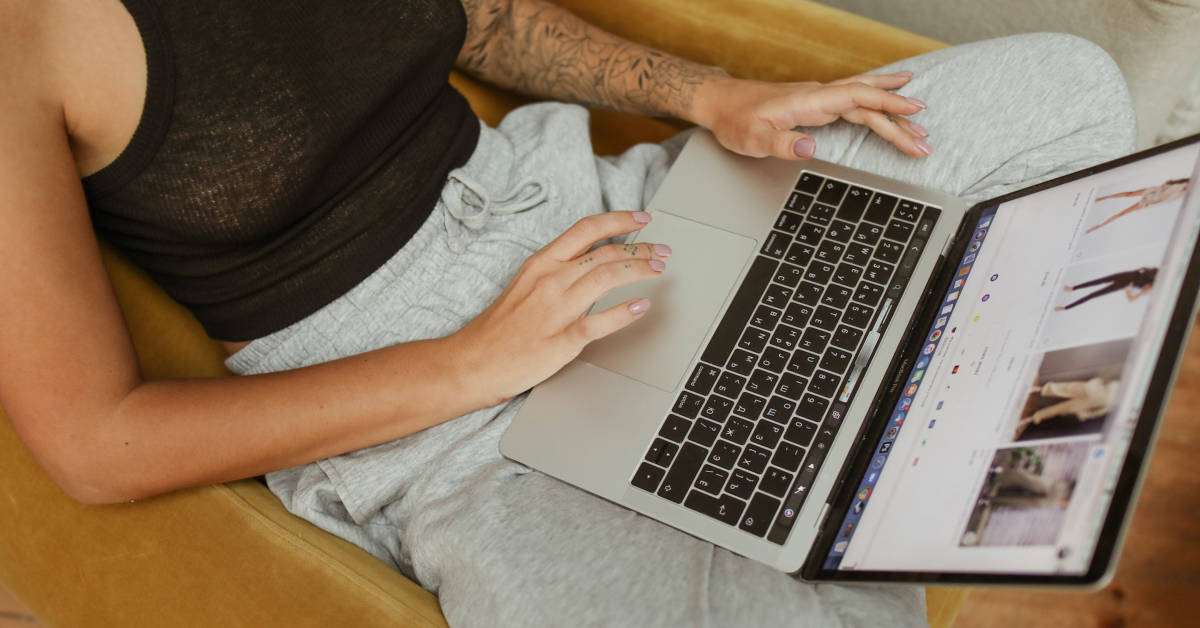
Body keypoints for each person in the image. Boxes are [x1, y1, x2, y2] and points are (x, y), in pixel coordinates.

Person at [0, 0, 1135, 625]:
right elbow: (97, 443)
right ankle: (836, 439)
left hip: (603, 212)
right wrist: (473, 361)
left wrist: (707, 96)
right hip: (437, 421)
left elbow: (486, 20)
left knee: (1060, 89)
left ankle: (831, 416)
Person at [1015, 377, 1119, 438]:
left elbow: (1101, 411)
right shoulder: (1120, 385)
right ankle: (1037, 389)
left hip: (1090, 403)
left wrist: (1085, 414)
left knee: (1059, 409)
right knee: (1064, 388)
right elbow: (1107, 381)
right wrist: (1097, 382)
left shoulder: (1115, 404)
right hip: (1090, 389)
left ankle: (1029, 419)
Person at [1085, 178, 1190, 233]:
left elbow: (1167, 197)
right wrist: (1164, 187)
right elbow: (1168, 186)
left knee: (1123, 212)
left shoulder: (1181, 191)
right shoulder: (1182, 186)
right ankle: (1102, 199)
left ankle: (1100, 225)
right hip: (1155, 193)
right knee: (1129, 194)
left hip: (1153, 200)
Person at [1055, 266, 1156, 311]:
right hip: (1122, 275)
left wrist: (1127, 290)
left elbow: (1132, 299)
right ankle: (1074, 288)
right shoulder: (1154, 270)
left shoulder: (1150, 286)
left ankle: (1066, 307)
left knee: (1093, 295)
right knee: (1097, 281)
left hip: (1122, 284)